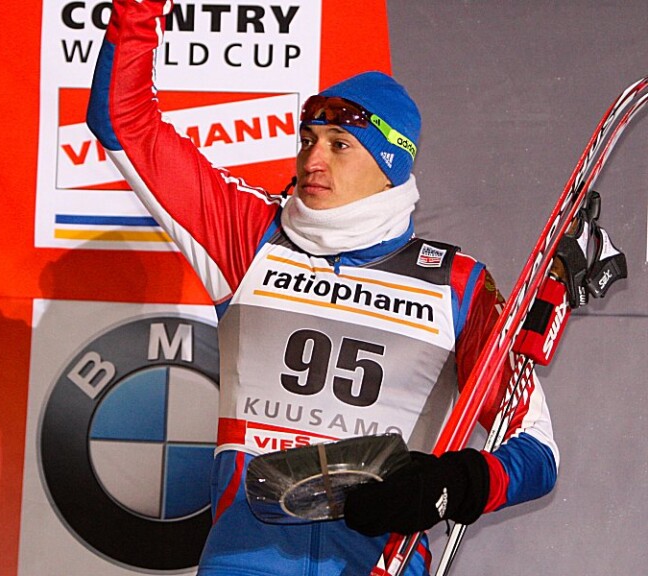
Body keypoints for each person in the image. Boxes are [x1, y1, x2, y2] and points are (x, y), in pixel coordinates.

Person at [87, 1, 559, 574]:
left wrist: (450, 483)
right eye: (307, 139)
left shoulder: (457, 285)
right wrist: (138, 9)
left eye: (339, 144)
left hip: (380, 565)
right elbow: (123, 120)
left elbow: (537, 450)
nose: (313, 158)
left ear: (390, 163)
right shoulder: (249, 237)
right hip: (244, 563)